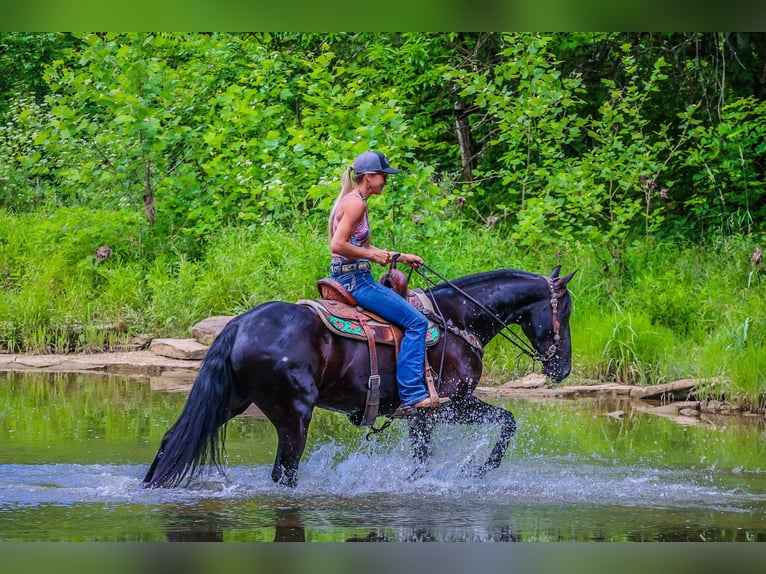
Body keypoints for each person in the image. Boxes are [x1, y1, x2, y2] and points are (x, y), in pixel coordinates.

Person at [328, 150, 449, 411]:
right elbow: (337, 245)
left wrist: (400, 256)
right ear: (369, 177)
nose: (386, 181)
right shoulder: (356, 203)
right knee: (416, 322)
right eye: (383, 176)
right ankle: (413, 394)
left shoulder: (356, 200)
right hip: (355, 280)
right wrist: (372, 254)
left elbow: (359, 245)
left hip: (352, 274)